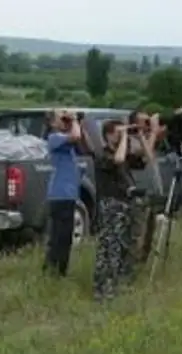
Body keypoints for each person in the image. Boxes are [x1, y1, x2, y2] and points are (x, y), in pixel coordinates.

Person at [93, 121, 149, 301]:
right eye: (117, 133)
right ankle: (102, 287)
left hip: (124, 204)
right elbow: (117, 160)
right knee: (109, 247)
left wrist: (140, 136)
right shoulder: (103, 154)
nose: (120, 136)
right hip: (110, 204)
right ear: (108, 135)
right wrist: (125, 136)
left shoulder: (122, 153)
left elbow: (146, 158)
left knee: (122, 246)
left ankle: (114, 285)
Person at [43, 109, 82, 277]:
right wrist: (74, 120)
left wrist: (77, 122)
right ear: (52, 123)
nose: (65, 121)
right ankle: (53, 270)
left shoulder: (66, 143)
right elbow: (76, 136)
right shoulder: (54, 138)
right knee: (59, 236)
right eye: (61, 118)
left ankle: (59, 270)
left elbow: (81, 138)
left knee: (65, 237)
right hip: (60, 194)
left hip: (68, 194)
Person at [124, 109, 161, 277]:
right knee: (137, 234)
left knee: (149, 234)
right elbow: (147, 156)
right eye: (143, 121)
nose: (146, 125)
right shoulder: (130, 141)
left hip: (152, 192)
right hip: (138, 193)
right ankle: (130, 270)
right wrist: (151, 132)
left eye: (148, 121)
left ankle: (141, 266)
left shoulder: (147, 138)